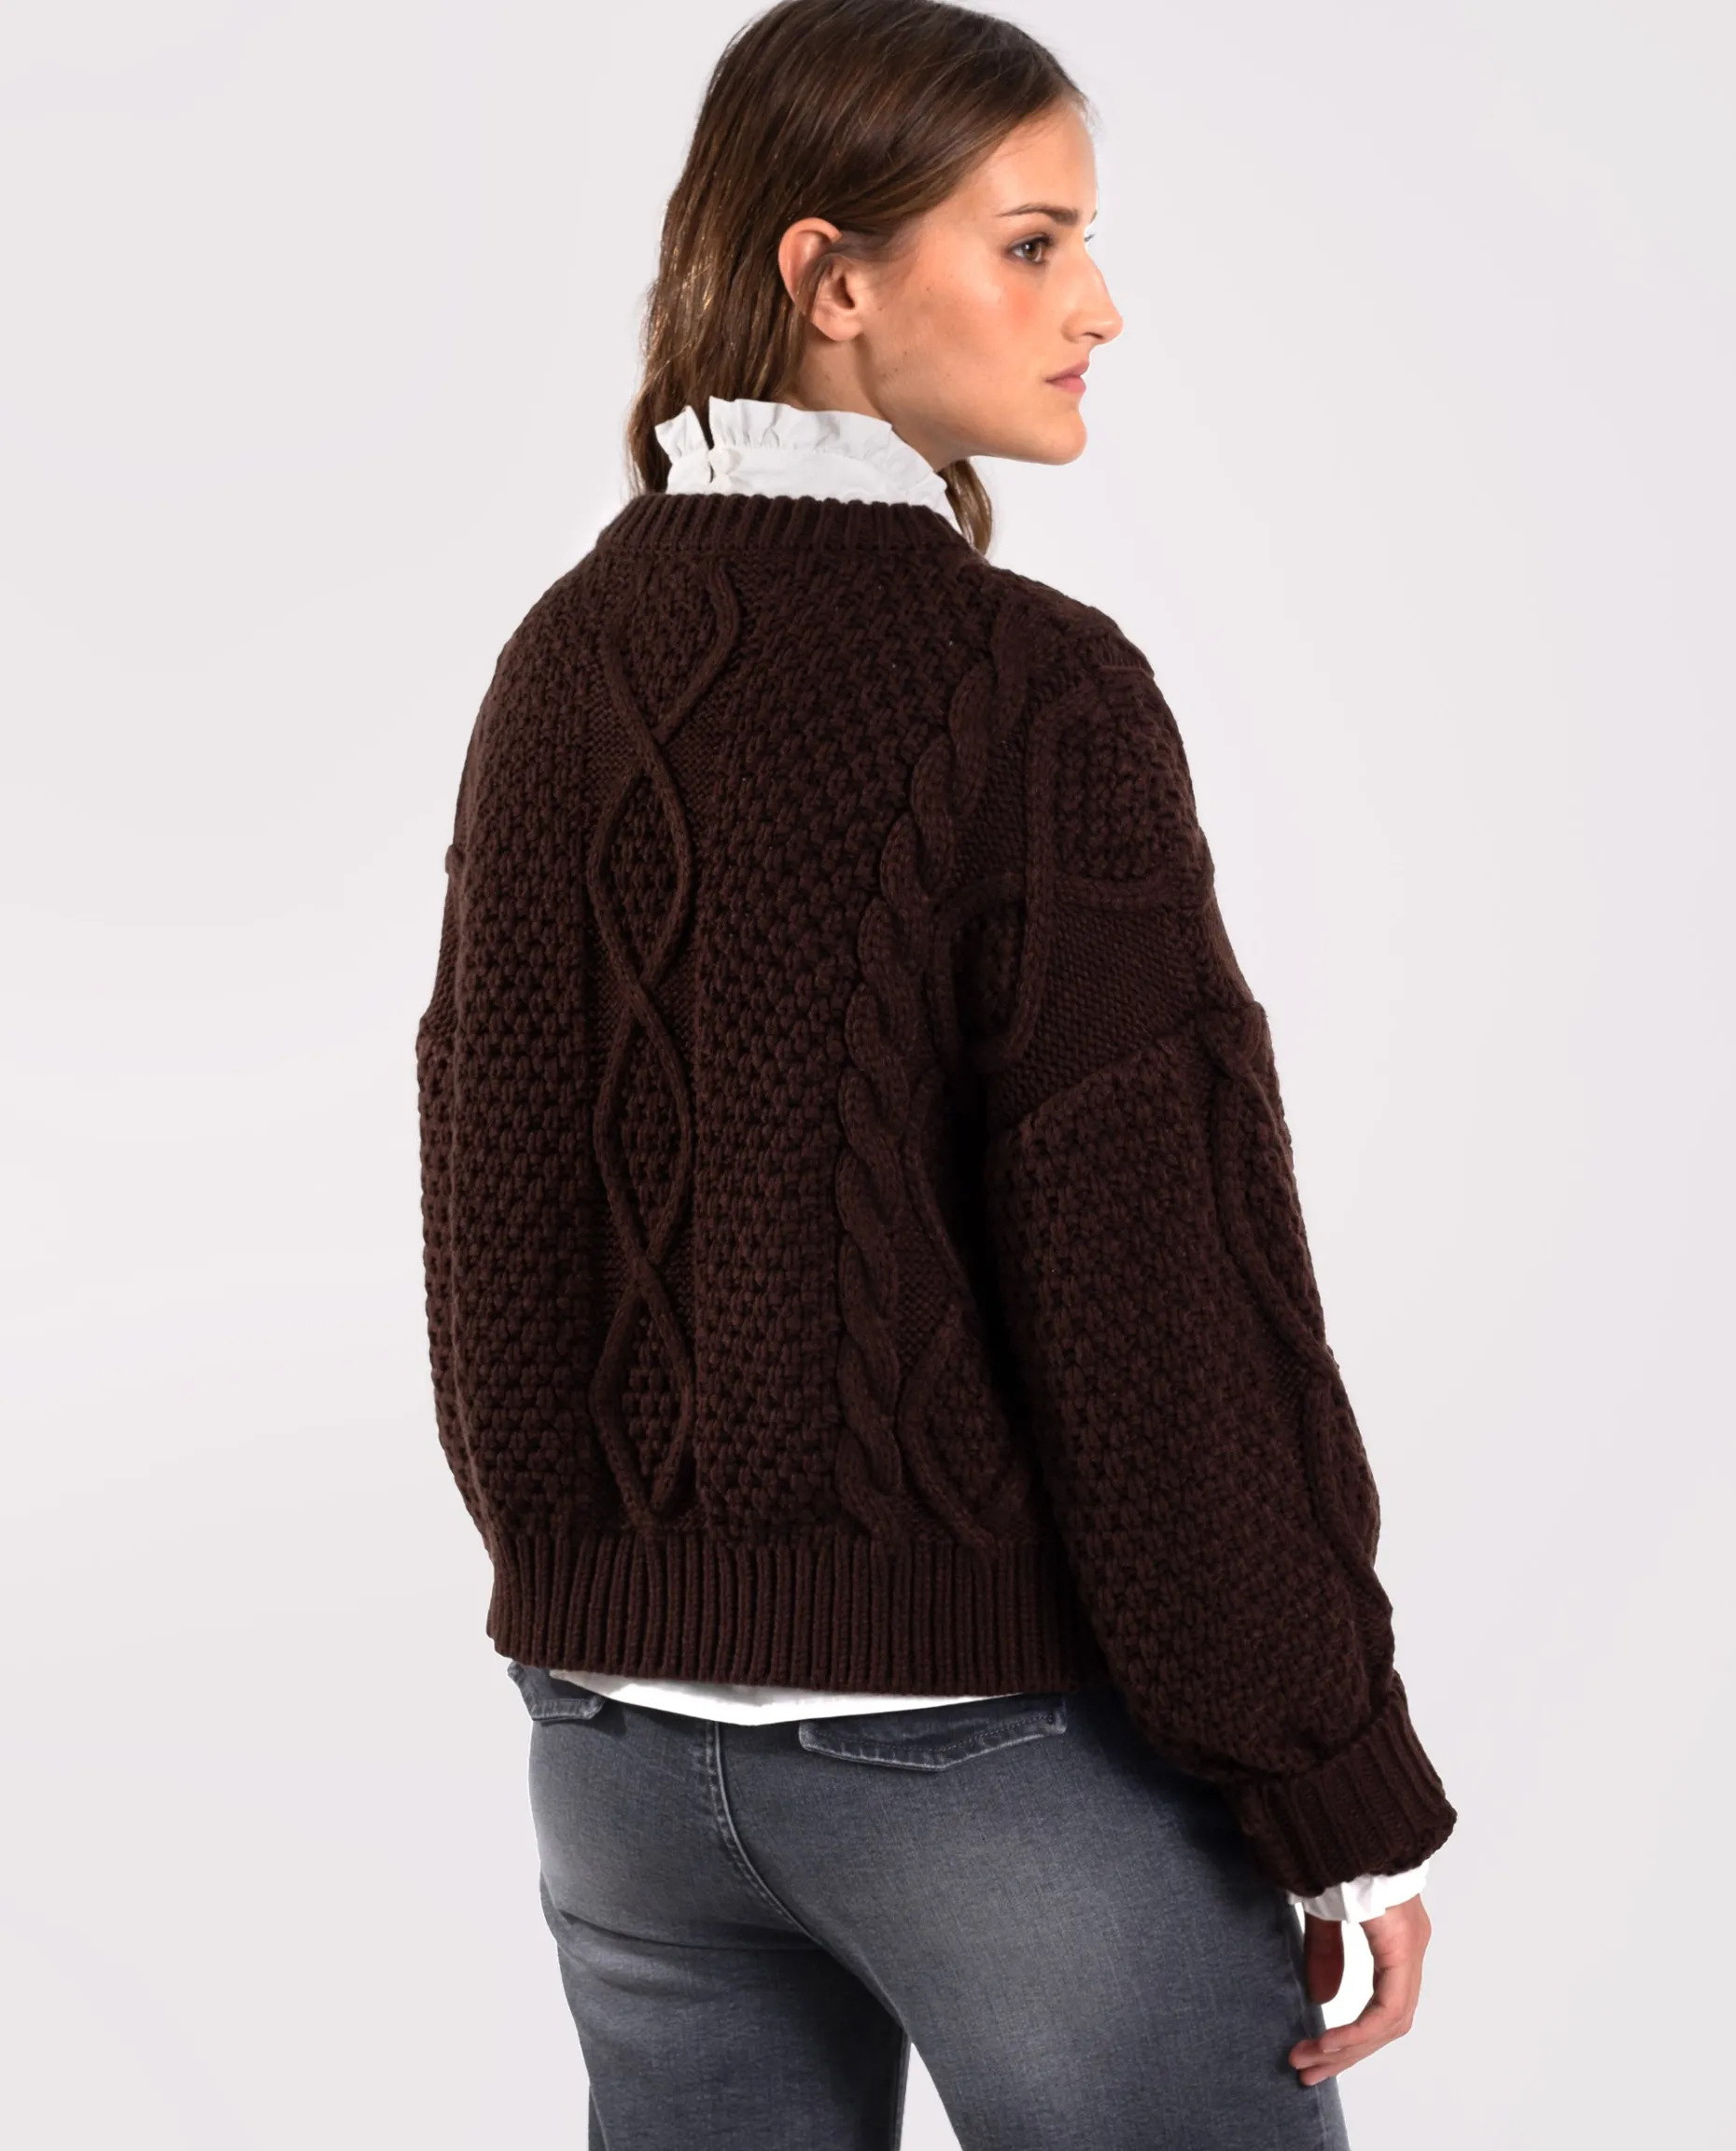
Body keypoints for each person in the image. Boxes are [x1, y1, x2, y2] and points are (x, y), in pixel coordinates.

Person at [413, 4, 1458, 2144]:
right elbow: (1161, 1302)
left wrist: (605, 1607)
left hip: (616, 1772)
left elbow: (489, 1206)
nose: (1099, 308)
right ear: (833, 277)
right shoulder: (1032, 692)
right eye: (1033, 244)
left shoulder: (559, 659)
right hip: (983, 1765)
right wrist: (1333, 1784)